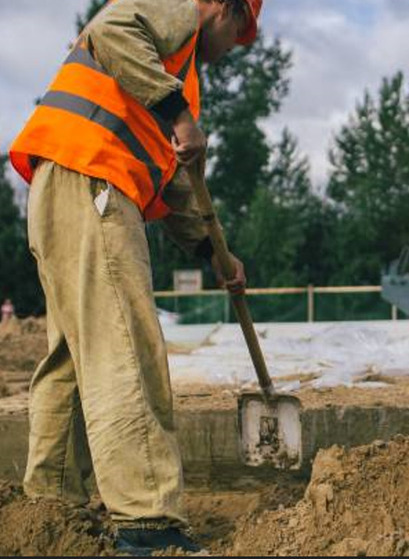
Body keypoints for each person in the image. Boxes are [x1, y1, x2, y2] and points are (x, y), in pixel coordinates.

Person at [9, 0, 262, 554]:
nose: (232, 50)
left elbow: (173, 187)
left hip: (67, 182)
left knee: (74, 358)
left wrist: (212, 251)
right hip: (91, 179)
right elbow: (112, 26)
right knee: (126, 344)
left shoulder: (171, 75)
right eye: (239, 34)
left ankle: (51, 508)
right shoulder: (180, 15)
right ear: (229, 10)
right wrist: (180, 116)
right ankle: (147, 521)